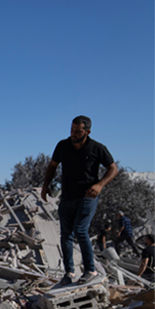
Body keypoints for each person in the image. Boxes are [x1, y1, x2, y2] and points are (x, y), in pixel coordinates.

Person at [42, 115, 118, 286]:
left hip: (87, 197)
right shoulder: (63, 146)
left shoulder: (97, 148)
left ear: (87, 131)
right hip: (67, 196)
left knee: (81, 230)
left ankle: (90, 270)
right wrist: (46, 185)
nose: (73, 134)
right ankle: (69, 272)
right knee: (66, 234)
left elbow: (113, 169)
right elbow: (52, 166)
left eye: (77, 131)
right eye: (71, 130)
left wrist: (100, 185)